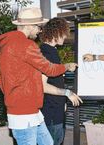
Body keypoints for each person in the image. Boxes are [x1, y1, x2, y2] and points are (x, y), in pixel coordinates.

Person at [0, 7, 82, 145]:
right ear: (28, 26)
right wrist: (66, 66)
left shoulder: (4, 46)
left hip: (27, 112)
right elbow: (50, 70)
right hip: (25, 113)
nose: (40, 30)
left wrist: (13, 96)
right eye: (38, 26)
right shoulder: (27, 45)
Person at [39, 17, 70, 145]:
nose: (66, 36)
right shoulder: (48, 53)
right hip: (51, 111)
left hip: (53, 109)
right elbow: (43, 85)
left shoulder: (49, 51)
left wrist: (66, 67)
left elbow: (52, 76)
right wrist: (67, 93)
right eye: (64, 33)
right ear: (56, 33)